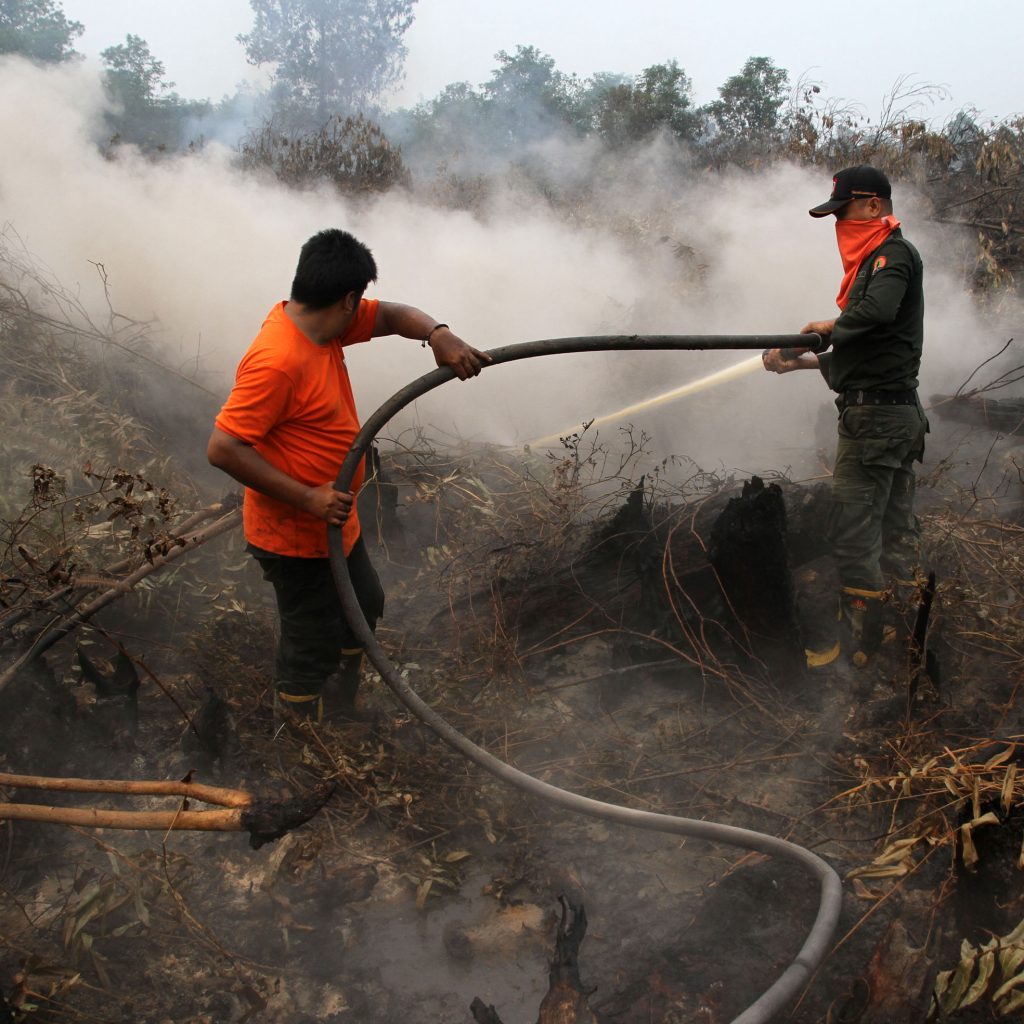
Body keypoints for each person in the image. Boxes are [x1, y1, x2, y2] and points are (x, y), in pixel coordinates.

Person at [208, 228, 490, 721]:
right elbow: (224, 448)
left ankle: (342, 704)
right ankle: (301, 741)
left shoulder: (323, 323)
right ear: (344, 298)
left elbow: (392, 314)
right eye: (357, 300)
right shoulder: (277, 361)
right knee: (310, 643)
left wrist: (438, 335)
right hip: (294, 537)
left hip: (336, 523)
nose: (363, 308)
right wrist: (307, 499)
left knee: (365, 603)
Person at [763, 165, 927, 667]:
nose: (841, 224)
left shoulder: (890, 256)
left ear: (873, 205)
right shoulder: (878, 260)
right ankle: (909, 629)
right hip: (891, 414)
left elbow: (874, 316)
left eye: (845, 212)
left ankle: (862, 654)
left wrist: (828, 326)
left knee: (855, 533)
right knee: (894, 529)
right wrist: (802, 363)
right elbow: (874, 354)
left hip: (875, 425)